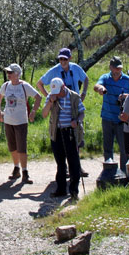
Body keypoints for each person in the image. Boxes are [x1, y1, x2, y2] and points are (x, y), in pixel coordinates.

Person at [37, 47, 90, 177]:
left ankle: (77, 167)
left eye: (65, 59)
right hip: (59, 108)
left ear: (70, 59)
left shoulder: (76, 68)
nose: (62, 61)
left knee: (77, 137)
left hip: (74, 104)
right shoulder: (54, 70)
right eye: (60, 59)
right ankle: (64, 168)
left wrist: (83, 93)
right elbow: (40, 83)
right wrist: (49, 98)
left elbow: (86, 78)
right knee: (59, 139)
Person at [0, 63, 41, 184]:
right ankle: (16, 168)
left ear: (17, 74)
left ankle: (25, 172)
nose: (8, 74)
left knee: (22, 147)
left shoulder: (24, 86)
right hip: (8, 121)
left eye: (10, 72)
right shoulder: (5, 86)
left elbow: (38, 97)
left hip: (21, 121)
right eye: (7, 72)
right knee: (12, 146)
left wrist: (33, 112)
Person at [41, 78, 85, 199]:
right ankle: (60, 190)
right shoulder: (51, 96)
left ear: (63, 87)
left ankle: (74, 191)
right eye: (54, 92)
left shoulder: (74, 96)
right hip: (56, 132)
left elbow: (82, 112)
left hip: (70, 131)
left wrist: (77, 121)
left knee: (73, 162)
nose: (57, 94)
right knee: (60, 162)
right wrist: (50, 101)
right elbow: (44, 114)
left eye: (58, 91)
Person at [93, 56, 129, 168]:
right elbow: (96, 85)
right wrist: (101, 89)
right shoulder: (105, 77)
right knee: (108, 147)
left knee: (124, 148)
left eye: (119, 68)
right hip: (107, 118)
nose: (117, 71)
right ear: (110, 67)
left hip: (121, 119)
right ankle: (109, 172)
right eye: (115, 68)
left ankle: (124, 173)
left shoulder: (127, 79)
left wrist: (126, 96)